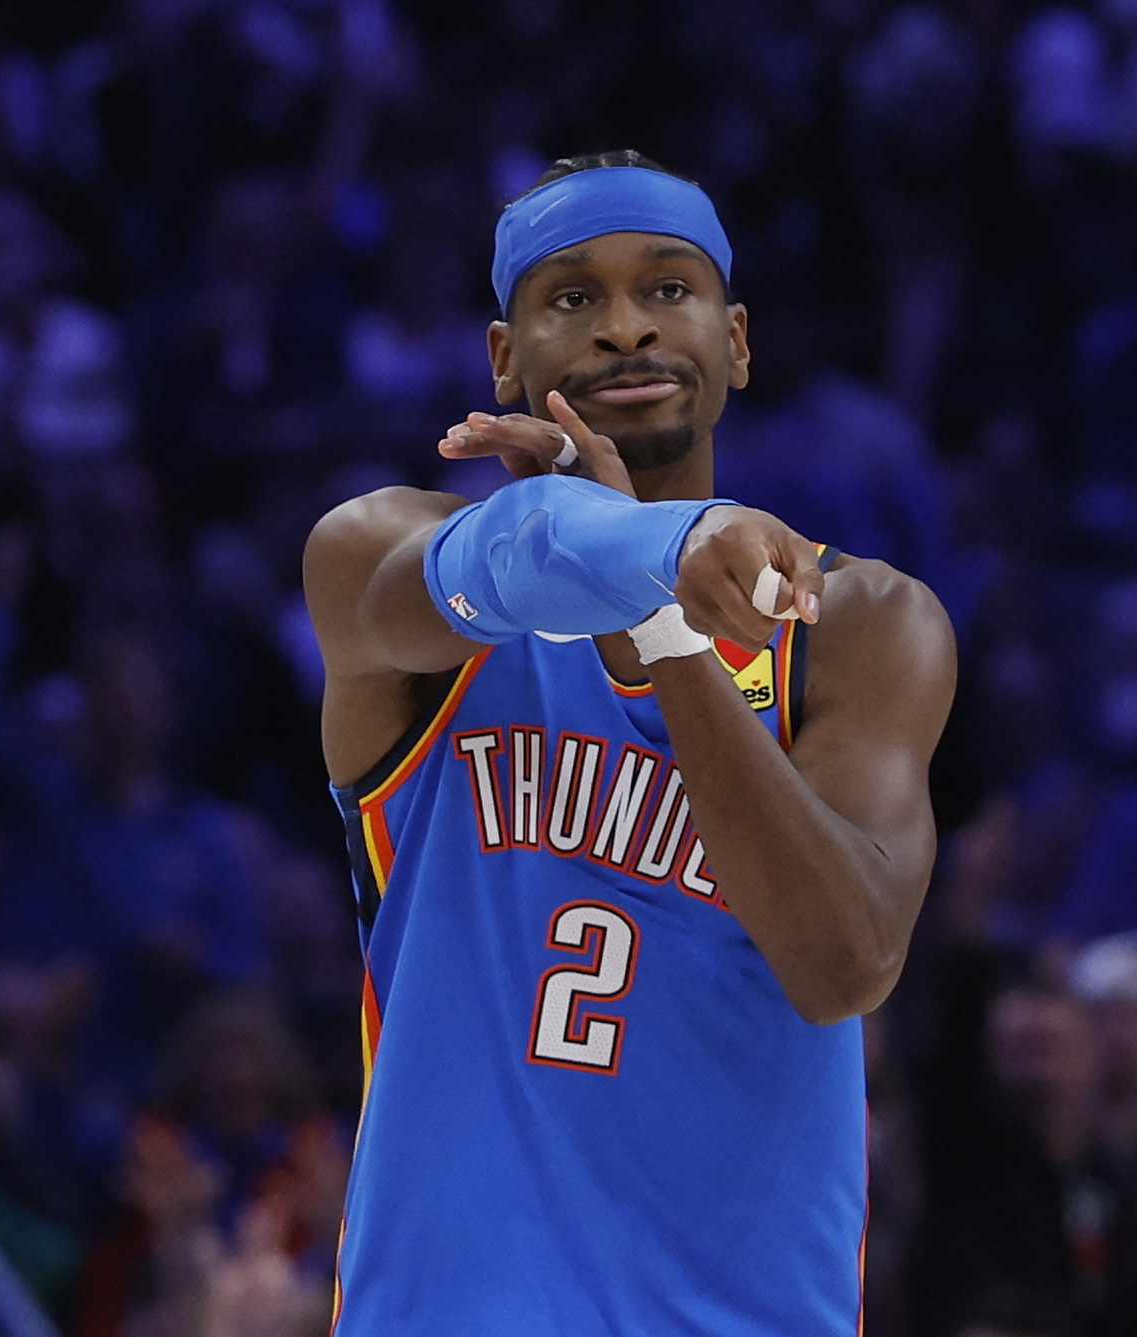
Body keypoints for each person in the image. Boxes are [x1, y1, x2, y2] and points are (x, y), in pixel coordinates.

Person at [302, 150, 955, 1334]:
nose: (623, 328)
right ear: (504, 357)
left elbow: (843, 965)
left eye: (667, 288)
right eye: (571, 297)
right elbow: (491, 558)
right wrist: (648, 551)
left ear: (737, 340)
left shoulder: (859, 625)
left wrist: (665, 625)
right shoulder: (375, 555)